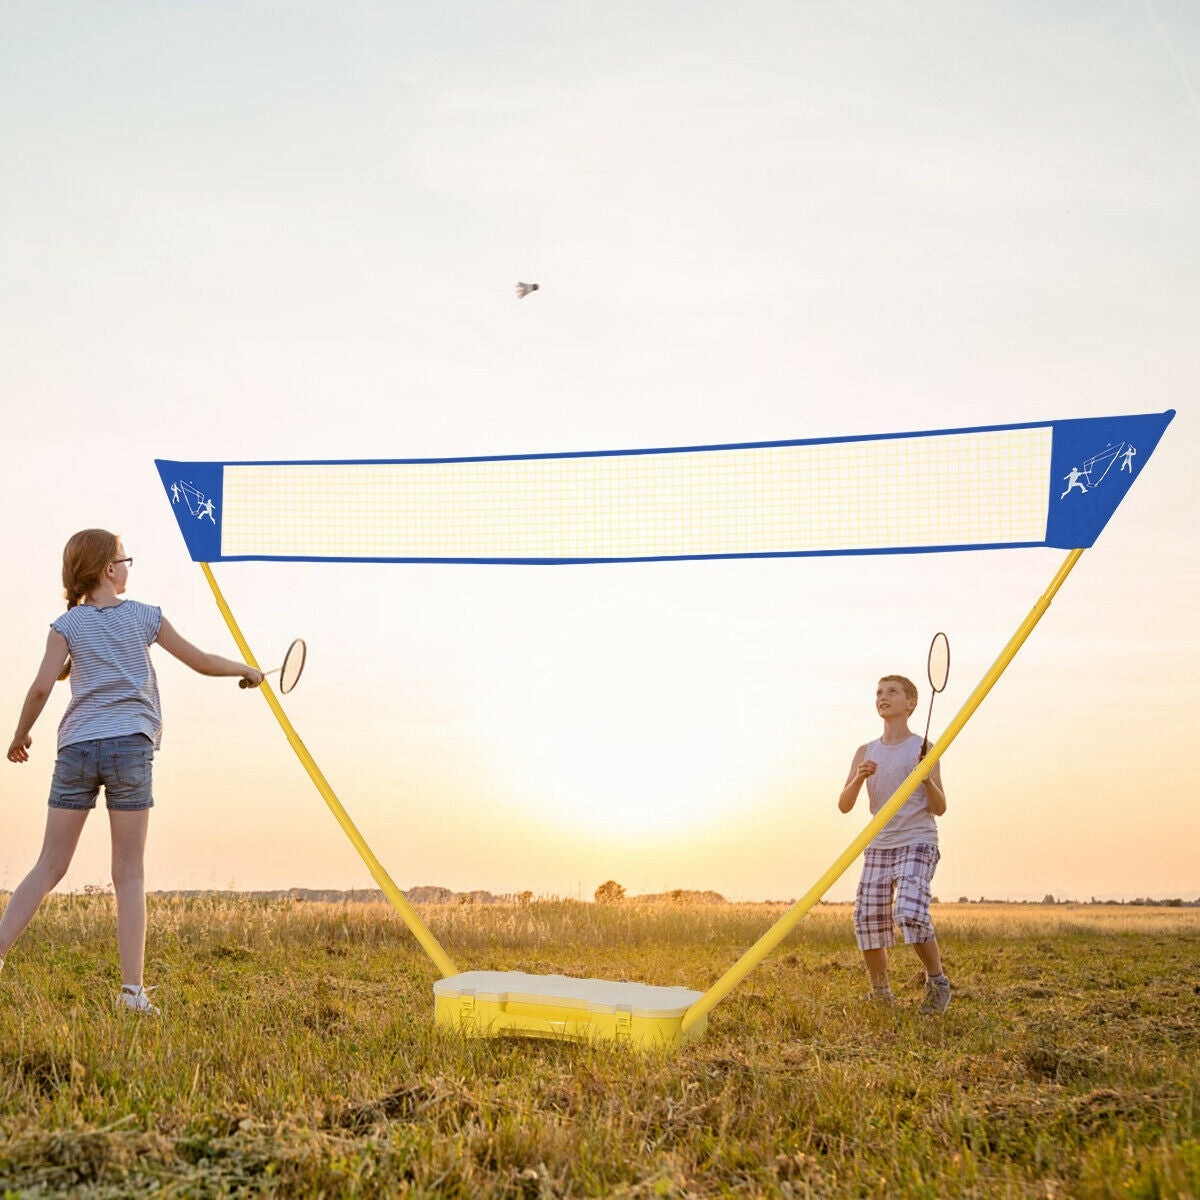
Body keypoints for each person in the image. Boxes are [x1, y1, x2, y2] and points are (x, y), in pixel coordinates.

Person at [2, 529, 263, 1013]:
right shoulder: (145, 616)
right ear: (108, 569)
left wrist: (19, 736)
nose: (127, 568)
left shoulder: (65, 625)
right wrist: (245, 669)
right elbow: (201, 662)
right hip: (129, 749)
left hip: (76, 748)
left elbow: (41, 689)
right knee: (128, 873)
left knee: (48, 866)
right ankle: (131, 993)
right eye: (125, 560)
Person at [839, 673, 950, 1014]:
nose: (882, 697)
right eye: (878, 692)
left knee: (909, 912)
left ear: (911, 704)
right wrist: (859, 778)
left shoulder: (924, 749)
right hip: (879, 845)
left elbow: (940, 807)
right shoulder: (865, 751)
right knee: (868, 919)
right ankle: (880, 993)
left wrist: (926, 777)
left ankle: (937, 982)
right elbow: (844, 805)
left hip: (917, 840)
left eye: (891, 692)